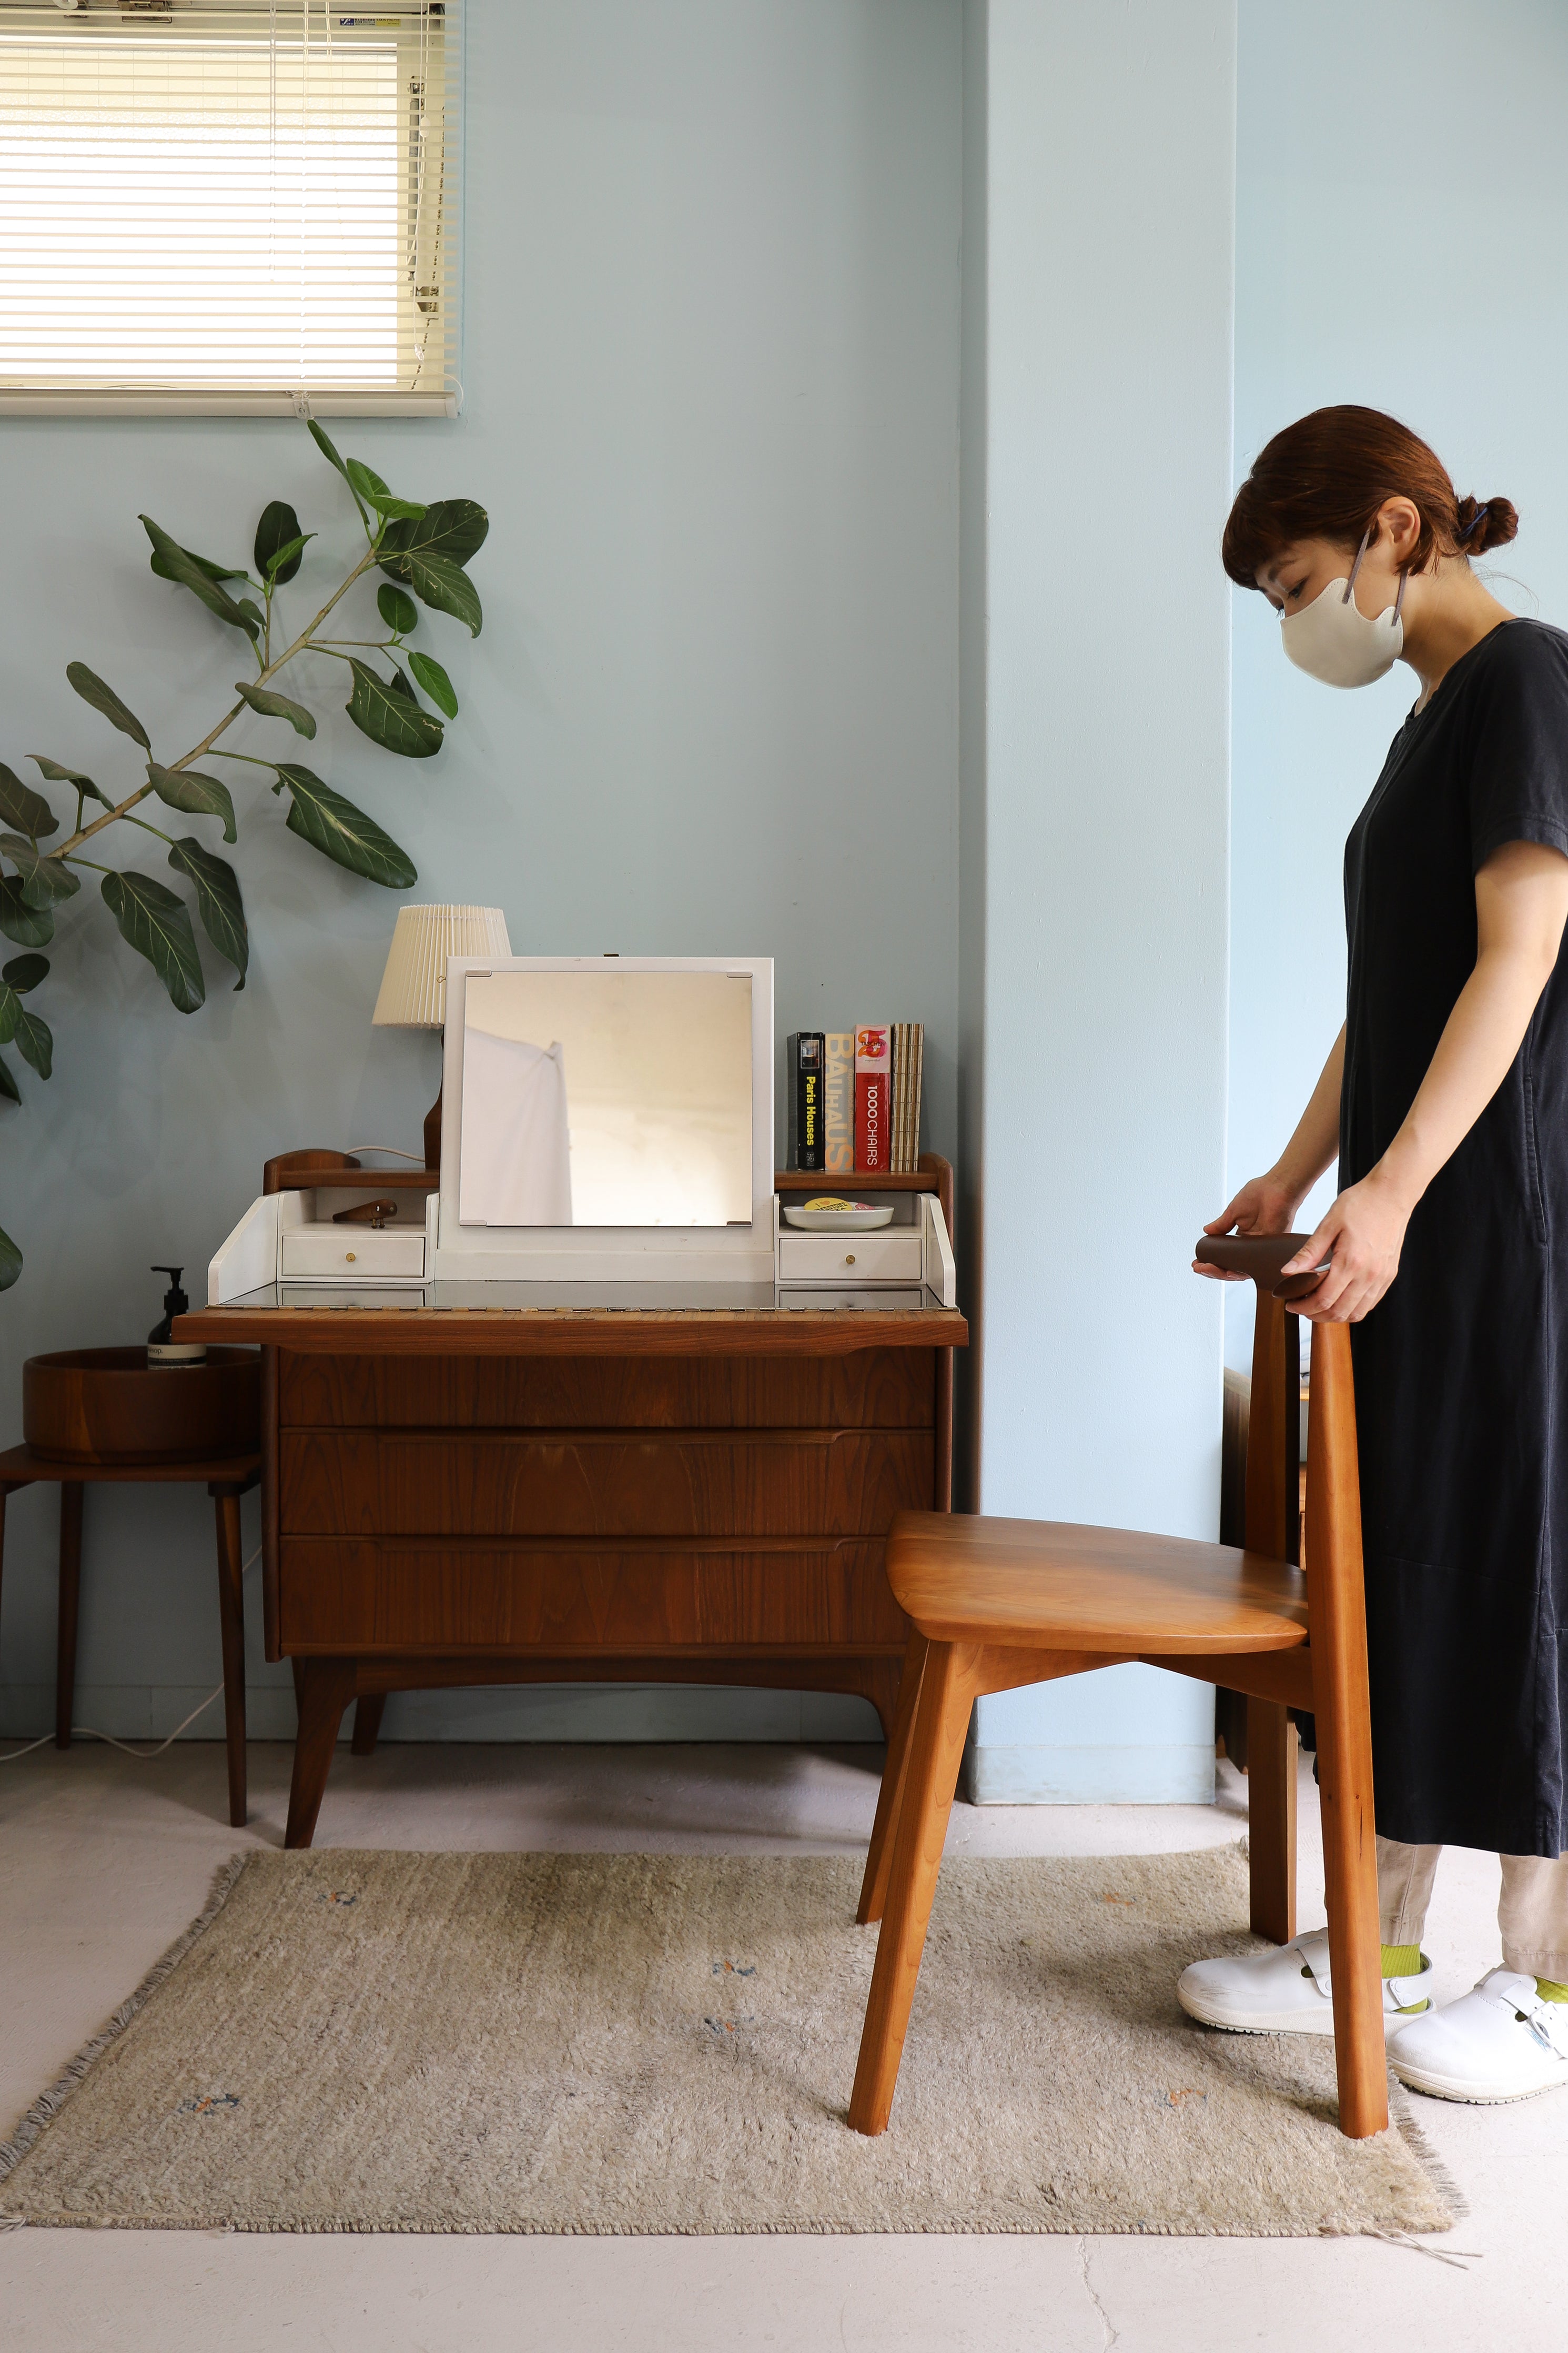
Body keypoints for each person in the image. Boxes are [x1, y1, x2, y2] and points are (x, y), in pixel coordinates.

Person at [1178, 405, 1568, 2105]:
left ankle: (1548, 1983)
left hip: (1504, 1211)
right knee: (1408, 1563)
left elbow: (1521, 952)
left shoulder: (1533, 680)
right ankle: (1383, 1937)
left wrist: (1398, 1190)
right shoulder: (1424, 722)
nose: (1296, 619)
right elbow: (1388, 1001)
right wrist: (1293, 1173)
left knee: (1522, 1563)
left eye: (1300, 579)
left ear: (1402, 531)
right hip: (1409, 1215)